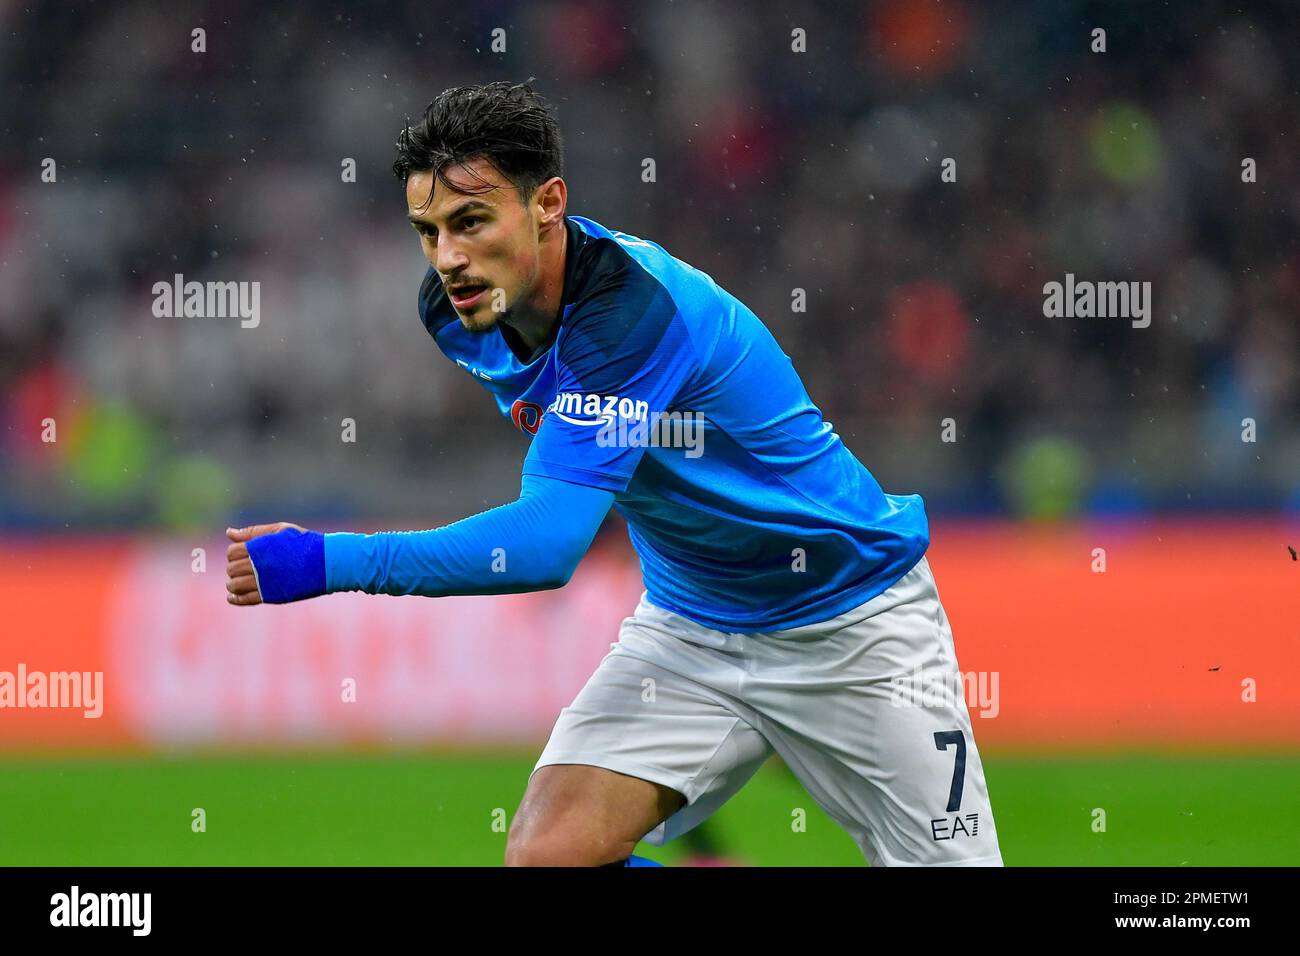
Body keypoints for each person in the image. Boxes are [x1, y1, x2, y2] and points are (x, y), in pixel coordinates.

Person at [225, 81, 1003, 867]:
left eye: (471, 222)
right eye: (427, 232)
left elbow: (546, 544)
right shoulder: (456, 314)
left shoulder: (631, 313)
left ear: (548, 203)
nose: (449, 259)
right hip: (693, 624)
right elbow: (610, 462)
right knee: (551, 855)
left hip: (851, 618)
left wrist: (328, 562)